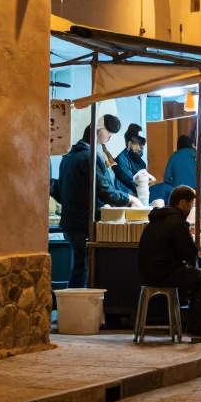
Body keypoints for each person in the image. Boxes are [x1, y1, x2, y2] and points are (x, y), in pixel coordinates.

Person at [56, 115, 141, 287]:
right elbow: (104, 191)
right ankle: (79, 310)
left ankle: (74, 309)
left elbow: (60, 191)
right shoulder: (89, 158)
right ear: (101, 133)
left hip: (70, 222)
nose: (109, 138)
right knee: (84, 269)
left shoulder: (69, 157)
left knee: (79, 267)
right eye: (109, 134)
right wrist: (129, 199)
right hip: (83, 224)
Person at [137, 184, 201, 341]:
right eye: (191, 205)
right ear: (182, 202)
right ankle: (198, 328)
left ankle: (194, 324)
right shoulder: (175, 222)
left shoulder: (157, 219)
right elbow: (189, 253)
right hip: (163, 274)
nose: (190, 209)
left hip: (148, 272)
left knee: (196, 276)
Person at [113, 124, 147, 195]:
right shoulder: (122, 160)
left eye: (143, 142)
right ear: (130, 143)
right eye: (138, 143)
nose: (141, 147)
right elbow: (133, 183)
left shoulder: (139, 161)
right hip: (129, 198)